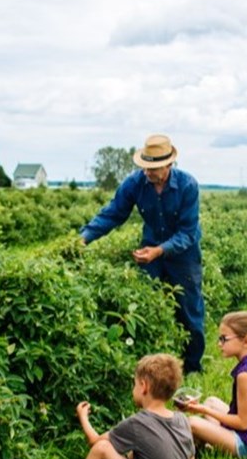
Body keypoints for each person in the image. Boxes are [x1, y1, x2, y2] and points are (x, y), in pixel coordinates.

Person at [79, 134, 205, 375]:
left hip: (183, 255)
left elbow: (188, 233)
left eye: (153, 168)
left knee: (189, 309)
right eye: (145, 167)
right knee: (145, 302)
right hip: (150, 247)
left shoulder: (188, 185)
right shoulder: (135, 183)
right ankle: (151, 365)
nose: (147, 172)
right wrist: (83, 238)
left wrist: (159, 251)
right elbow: (113, 213)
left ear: (168, 165)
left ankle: (192, 368)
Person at [64, 353, 195, 459]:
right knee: (134, 452)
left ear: (144, 386)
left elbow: (95, 442)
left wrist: (83, 417)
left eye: (135, 384)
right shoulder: (181, 419)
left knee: (102, 449)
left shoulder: (138, 423)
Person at [178, 311, 247, 459]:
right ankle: (211, 441)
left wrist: (203, 410)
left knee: (192, 423)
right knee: (211, 402)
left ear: (246, 341)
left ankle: (203, 445)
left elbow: (243, 423)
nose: (219, 344)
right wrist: (206, 408)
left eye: (224, 339)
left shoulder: (246, 375)